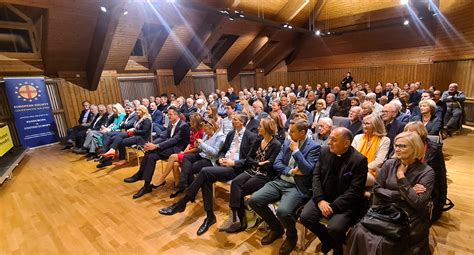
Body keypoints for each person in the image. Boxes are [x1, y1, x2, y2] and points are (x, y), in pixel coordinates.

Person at [158, 113, 258, 236]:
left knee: (204, 171)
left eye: (235, 120)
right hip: (223, 164)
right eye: (232, 119)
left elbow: (249, 160)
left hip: (237, 169)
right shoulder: (232, 134)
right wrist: (221, 159)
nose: (232, 121)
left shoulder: (251, 136)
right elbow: (222, 151)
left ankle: (182, 203)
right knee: (206, 179)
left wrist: (233, 162)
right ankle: (210, 217)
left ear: (242, 122)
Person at [347, 132, 434, 254]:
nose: (397, 149)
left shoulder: (426, 172)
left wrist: (401, 177)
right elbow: (377, 189)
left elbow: (418, 202)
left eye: (403, 146)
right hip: (384, 209)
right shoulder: (389, 164)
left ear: (415, 147)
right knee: (358, 232)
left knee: (385, 243)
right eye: (396, 145)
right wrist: (404, 194)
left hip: (408, 215)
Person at [248, 120, 321, 255]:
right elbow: (277, 163)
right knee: (254, 200)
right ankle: (276, 228)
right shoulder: (287, 142)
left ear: (302, 133)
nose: (289, 133)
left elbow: (307, 170)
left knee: (283, 211)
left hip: (297, 186)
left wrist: (297, 151)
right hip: (281, 181)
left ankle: (291, 237)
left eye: (292, 131)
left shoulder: (314, 147)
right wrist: (291, 171)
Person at [300, 127, 368, 255]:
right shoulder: (325, 151)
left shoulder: (359, 160)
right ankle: (327, 240)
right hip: (323, 197)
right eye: (330, 139)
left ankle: (338, 249)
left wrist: (333, 206)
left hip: (344, 203)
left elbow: (354, 191)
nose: (329, 142)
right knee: (305, 217)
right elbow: (316, 176)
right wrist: (320, 200)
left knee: (335, 228)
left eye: (334, 140)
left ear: (346, 144)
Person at [219, 118, 282, 233]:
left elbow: (269, 166)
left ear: (267, 129)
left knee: (242, 190)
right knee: (235, 182)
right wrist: (257, 163)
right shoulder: (259, 139)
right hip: (252, 170)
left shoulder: (276, 144)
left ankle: (241, 221)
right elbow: (248, 158)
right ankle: (235, 215)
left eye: (261, 127)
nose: (258, 128)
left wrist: (256, 163)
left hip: (264, 175)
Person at [123, 106, 190, 199]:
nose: (168, 116)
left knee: (151, 151)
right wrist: (152, 144)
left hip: (177, 149)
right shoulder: (171, 124)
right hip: (169, 147)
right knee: (150, 155)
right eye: (168, 114)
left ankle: (140, 175)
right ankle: (146, 185)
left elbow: (175, 140)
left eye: (170, 114)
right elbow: (163, 136)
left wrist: (156, 146)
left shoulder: (184, 126)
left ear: (176, 115)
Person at [404, 121, 449, 222]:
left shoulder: (433, 150)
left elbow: (441, 178)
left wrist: (440, 203)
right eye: (406, 132)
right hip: (404, 184)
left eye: (411, 132)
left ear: (420, 133)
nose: (407, 134)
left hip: (424, 186)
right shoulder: (402, 145)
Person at [171, 119, 225, 197]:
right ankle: (183, 183)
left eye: (206, 130)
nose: (205, 133)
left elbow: (214, 153)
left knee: (190, 168)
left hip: (210, 159)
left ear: (212, 128)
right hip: (202, 155)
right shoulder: (207, 135)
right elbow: (200, 148)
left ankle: (190, 191)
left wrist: (202, 144)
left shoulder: (220, 137)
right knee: (186, 158)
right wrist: (197, 145)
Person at [155, 113, 205, 196]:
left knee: (172, 156)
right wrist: (184, 151)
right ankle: (179, 186)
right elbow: (189, 143)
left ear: (196, 121)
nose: (190, 122)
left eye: (191, 121)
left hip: (195, 154)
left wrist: (185, 152)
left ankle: (162, 178)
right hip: (188, 151)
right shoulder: (193, 130)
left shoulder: (201, 132)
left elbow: (198, 149)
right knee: (175, 164)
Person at [351, 114, 390, 186]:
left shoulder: (384, 140)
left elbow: (379, 161)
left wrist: (362, 169)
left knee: (358, 177)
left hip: (372, 172)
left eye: (367, 123)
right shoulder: (357, 137)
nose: (364, 126)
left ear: (376, 125)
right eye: (363, 123)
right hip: (354, 169)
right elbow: (351, 156)